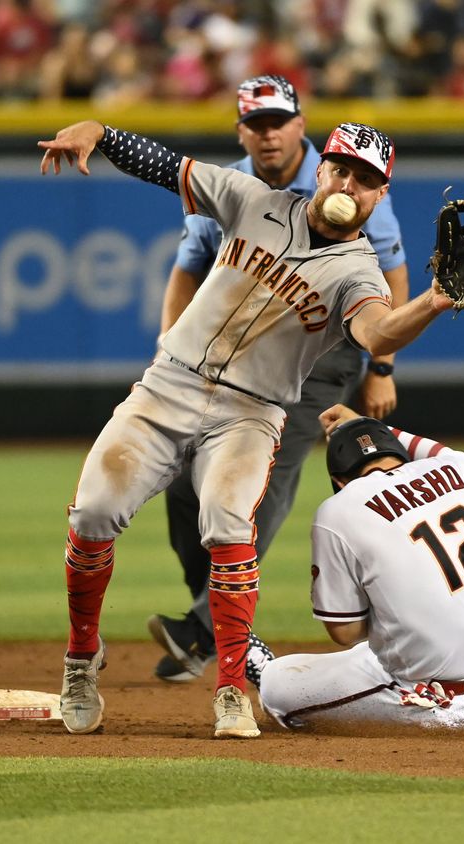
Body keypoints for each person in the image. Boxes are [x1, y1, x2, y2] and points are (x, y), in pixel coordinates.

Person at [38, 116, 455, 739]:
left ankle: (231, 688)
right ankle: (81, 658)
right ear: (322, 168)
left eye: (366, 179)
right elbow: (168, 167)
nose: (349, 183)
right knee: (92, 515)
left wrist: (436, 298)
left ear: (380, 195)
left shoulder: (360, 272)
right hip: (170, 384)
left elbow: (376, 332)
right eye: (341, 168)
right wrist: (100, 131)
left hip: (250, 412)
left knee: (229, 524)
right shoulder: (253, 199)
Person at [145, 74, 410, 685]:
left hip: (324, 354)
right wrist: (169, 348)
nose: (268, 134)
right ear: (242, 130)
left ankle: (203, 628)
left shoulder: (353, 176)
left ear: (300, 125)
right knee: (184, 487)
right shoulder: (234, 185)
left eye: (278, 121)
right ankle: (212, 614)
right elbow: (187, 269)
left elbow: (391, 272)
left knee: (261, 478)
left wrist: (382, 368)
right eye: (256, 124)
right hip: (239, 351)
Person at [245, 404, 464, 729]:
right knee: (391, 639)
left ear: (338, 480)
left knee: (278, 688)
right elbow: (437, 451)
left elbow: (345, 632)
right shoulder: (462, 466)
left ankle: (260, 665)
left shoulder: (338, 510)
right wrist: (370, 426)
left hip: (432, 702)